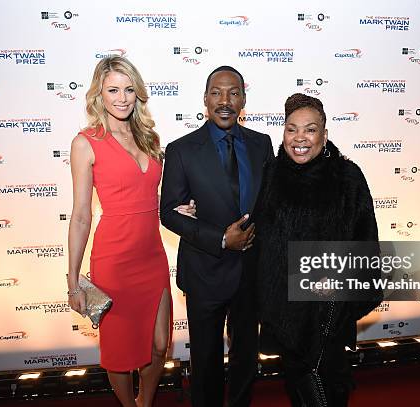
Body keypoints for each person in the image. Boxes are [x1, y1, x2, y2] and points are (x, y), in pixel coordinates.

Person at [67, 56, 194, 407]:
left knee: (159, 345)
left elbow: (150, 195)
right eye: (113, 90)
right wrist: (73, 280)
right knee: (120, 352)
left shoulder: (148, 137)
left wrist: (177, 209)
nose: (122, 98)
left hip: (151, 256)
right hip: (114, 259)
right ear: (99, 95)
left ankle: (145, 401)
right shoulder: (86, 142)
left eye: (128, 89)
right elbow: (80, 216)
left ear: (137, 92)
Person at [252, 93, 381, 406]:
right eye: (292, 129)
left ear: (325, 135)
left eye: (310, 129)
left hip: (329, 311)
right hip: (285, 310)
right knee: (299, 388)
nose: (300, 138)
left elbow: (366, 245)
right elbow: (260, 236)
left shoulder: (348, 178)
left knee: (330, 386)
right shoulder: (271, 175)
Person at [160, 66, 274, 407]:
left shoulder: (261, 144)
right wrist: (221, 238)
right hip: (205, 272)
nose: (225, 101)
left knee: (246, 359)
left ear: (243, 100)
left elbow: (270, 204)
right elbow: (168, 213)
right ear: (206, 99)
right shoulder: (181, 149)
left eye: (233, 93)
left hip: (251, 274)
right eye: (217, 93)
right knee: (206, 363)